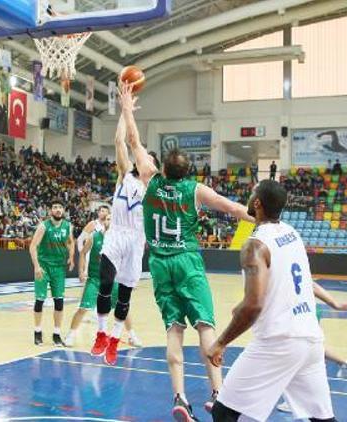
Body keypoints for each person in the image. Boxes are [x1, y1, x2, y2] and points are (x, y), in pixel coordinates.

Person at [121, 82, 254, 420]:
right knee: (206, 326)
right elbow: (233, 209)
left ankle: (180, 397)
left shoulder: (150, 181)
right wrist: (261, 218)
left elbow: (133, 142)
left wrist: (125, 106)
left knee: (173, 329)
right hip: (188, 261)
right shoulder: (196, 191)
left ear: (162, 168)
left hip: (160, 262)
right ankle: (218, 393)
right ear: (187, 171)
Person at [208, 180, 337, 422]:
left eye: (252, 193)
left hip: (279, 342)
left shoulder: (254, 246)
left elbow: (254, 305)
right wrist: (243, 305)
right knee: (322, 419)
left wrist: (220, 342)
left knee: (223, 412)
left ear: (257, 203)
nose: (249, 196)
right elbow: (290, 282)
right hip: (310, 340)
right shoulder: (291, 232)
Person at [90, 110, 155, 365]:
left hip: (137, 241)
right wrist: (122, 112)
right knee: (106, 282)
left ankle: (115, 340)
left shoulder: (153, 188)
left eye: (148, 158)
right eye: (143, 156)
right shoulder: (125, 174)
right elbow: (121, 142)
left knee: (125, 295)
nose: (143, 158)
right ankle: (100, 333)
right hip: (116, 233)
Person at [277, 281, 347, 413]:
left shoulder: (275, 266)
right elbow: (311, 285)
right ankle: (346, 363)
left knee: (294, 353)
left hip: (296, 312)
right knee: (313, 347)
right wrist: (336, 304)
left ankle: (293, 400)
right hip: (308, 309)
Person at [66, 213, 141, 348]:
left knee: (123, 307)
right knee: (83, 308)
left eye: (113, 219)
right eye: (107, 219)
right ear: (103, 222)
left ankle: (132, 336)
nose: (110, 221)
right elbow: (82, 253)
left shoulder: (123, 240)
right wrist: (81, 271)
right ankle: (71, 335)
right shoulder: (94, 237)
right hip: (95, 279)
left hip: (115, 280)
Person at [29, 197, 75, 346]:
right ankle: (37, 332)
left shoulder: (68, 226)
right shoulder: (43, 226)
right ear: (50, 211)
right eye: (55, 207)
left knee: (59, 302)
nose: (58, 210)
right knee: (39, 301)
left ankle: (56, 333)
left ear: (63, 210)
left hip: (59, 268)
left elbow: (70, 242)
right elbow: (33, 246)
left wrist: (71, 257)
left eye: (60, 207)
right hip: (44, 267)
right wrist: (36, 266)